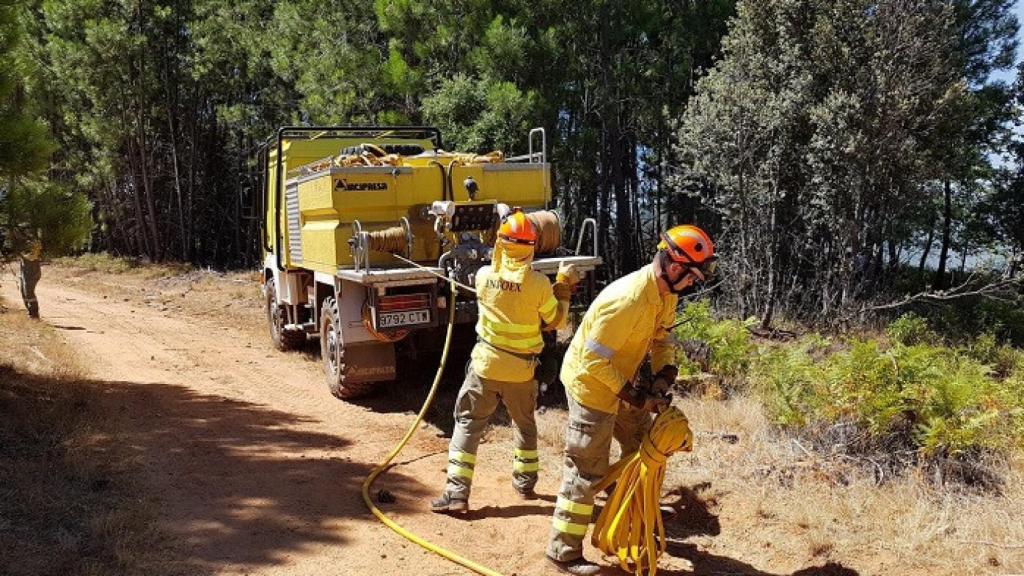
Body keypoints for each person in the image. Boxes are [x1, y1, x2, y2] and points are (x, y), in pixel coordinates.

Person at [546, 225, 717, 575]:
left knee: (642, 452)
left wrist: (663, 375)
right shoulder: (626, 300)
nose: (692, 284)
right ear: (673, 266)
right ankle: (563, 551)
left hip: (623, 380)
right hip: (591, 386)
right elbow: (594, 362)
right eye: (692, 276)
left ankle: (631, 526)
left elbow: (661, 340)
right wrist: (635, 395)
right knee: (586, 469)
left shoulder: (666, 295)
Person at [431, 211, 582, 513]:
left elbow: (496, 278)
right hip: (522, 371)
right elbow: (557, 321)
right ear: (531, 248)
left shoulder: (484, 277)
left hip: (486, 367)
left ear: (500, 245)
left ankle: (457, 492)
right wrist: (563, 285)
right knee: (524, 424)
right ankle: (525, 483)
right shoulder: (539, 284)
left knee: (469, 423)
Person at [19, 238, 42, 319]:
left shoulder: (34, 241)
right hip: (24, 272)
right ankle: (30, 312)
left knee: (29, 292)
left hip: (32, 273)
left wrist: (21, 254)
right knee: (23, 292)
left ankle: (34, 314)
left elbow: (32, 257)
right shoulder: (21, 243)